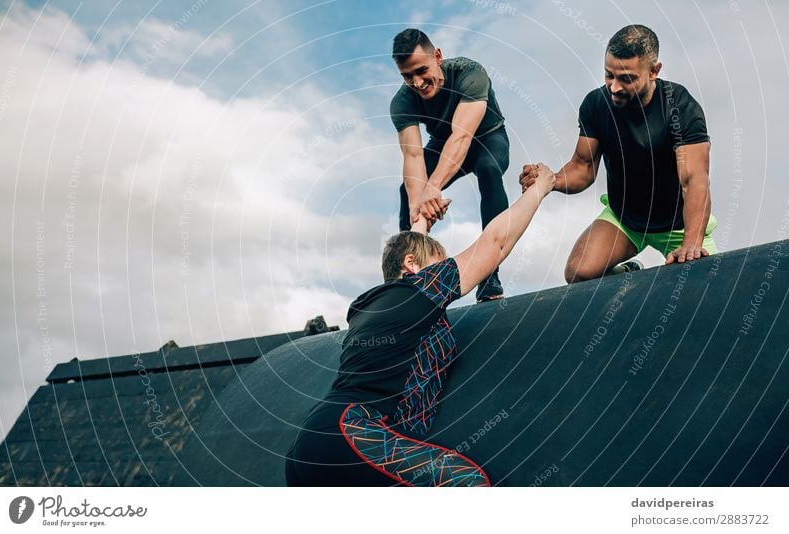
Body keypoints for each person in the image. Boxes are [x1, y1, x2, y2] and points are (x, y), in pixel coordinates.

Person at [285, 165, 556, 486]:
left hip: (316, 444)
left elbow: (411, 265)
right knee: (466, 483)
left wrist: (421, 226)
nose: (445, 270)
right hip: (354, 434)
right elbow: (493, 245)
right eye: (438, 262)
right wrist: (539, 189)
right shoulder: (414, 292)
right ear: (413, 266)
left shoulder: (379, 307)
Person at [520, 24, 717, 283]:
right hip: (625, 219)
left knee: (702, 280)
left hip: (678, 225)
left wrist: (692, 242)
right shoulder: (596, 104)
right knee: (578, 273)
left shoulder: (680, 106)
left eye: (627, 79)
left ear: (654, 71)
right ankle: (628, 273)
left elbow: (694, 181)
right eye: (608, 75)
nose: (614, 87)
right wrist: (552, 180)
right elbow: (583, 167)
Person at [390, 28, 510, 302]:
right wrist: (418, 206)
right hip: (443, 143)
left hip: (486, 138)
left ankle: (489, 277)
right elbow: (413, 156)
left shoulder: (470, 73)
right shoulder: (402, 102)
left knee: (489, 171)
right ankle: (406, 284)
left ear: (438, 56)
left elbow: (462, 136)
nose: (418, 82)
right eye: (408, 76)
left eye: (422, 71)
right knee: (406, 193)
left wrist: (433, 188)